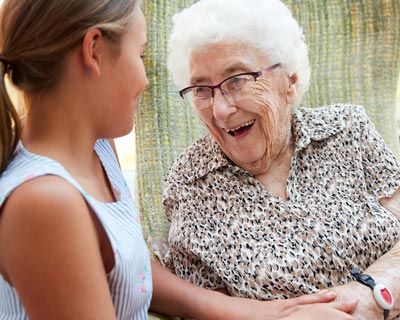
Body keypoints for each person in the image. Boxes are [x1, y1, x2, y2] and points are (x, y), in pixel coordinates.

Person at [0, 0, 360, 319]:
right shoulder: (44, 203)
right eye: (140, 55)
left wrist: (261, 312)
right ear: (94, 51)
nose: (145, 81)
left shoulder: (95, 148)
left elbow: (129, 269)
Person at [163, 0, 400, 319]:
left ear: (289, 81)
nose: (220, 110)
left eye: (237, 80)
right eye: (202, 90)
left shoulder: (348, 129)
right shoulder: (191, 184)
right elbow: (208, 307)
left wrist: (369, 299)